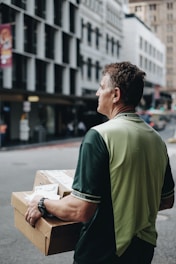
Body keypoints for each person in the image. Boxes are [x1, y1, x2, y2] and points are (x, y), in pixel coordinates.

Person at [25, 61, 175, 264]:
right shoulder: (156, 139)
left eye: (101, 87)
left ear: (115, 94)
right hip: (143, 250)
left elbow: (81, 209)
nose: (97, 93)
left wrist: (41, 203)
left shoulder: (99, 135)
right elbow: (166, 200)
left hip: (102, 252)